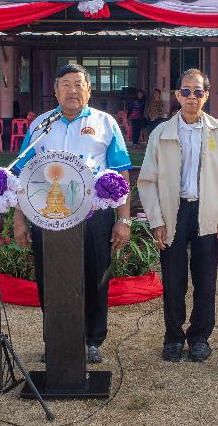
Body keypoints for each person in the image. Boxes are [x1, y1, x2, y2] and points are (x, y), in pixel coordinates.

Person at [13, 64, 133, 364]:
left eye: (79, 84)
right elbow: (23, 172)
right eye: (65, 84)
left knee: (95, 275)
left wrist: (123, 219)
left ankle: (92, 339)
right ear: (55, 91)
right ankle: (56, 339)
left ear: (89, 89)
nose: (72, 90)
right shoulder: (41, 124)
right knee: (50, 277)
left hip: (94, 213)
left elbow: (121, 173)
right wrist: (19, 218)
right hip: (48, 214)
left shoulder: (105, 122)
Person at [138, 69, 218, 362]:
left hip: (207, 211)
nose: (192, 97)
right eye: (186, 91)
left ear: (206, 95)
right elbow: (147, 180)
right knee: (174, 279)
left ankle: (199, 337)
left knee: (206, 279)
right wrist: (156, 220)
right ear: (177, 95)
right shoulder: (161, 133)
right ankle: (173, 337)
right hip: (173, 212)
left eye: (198, 91)